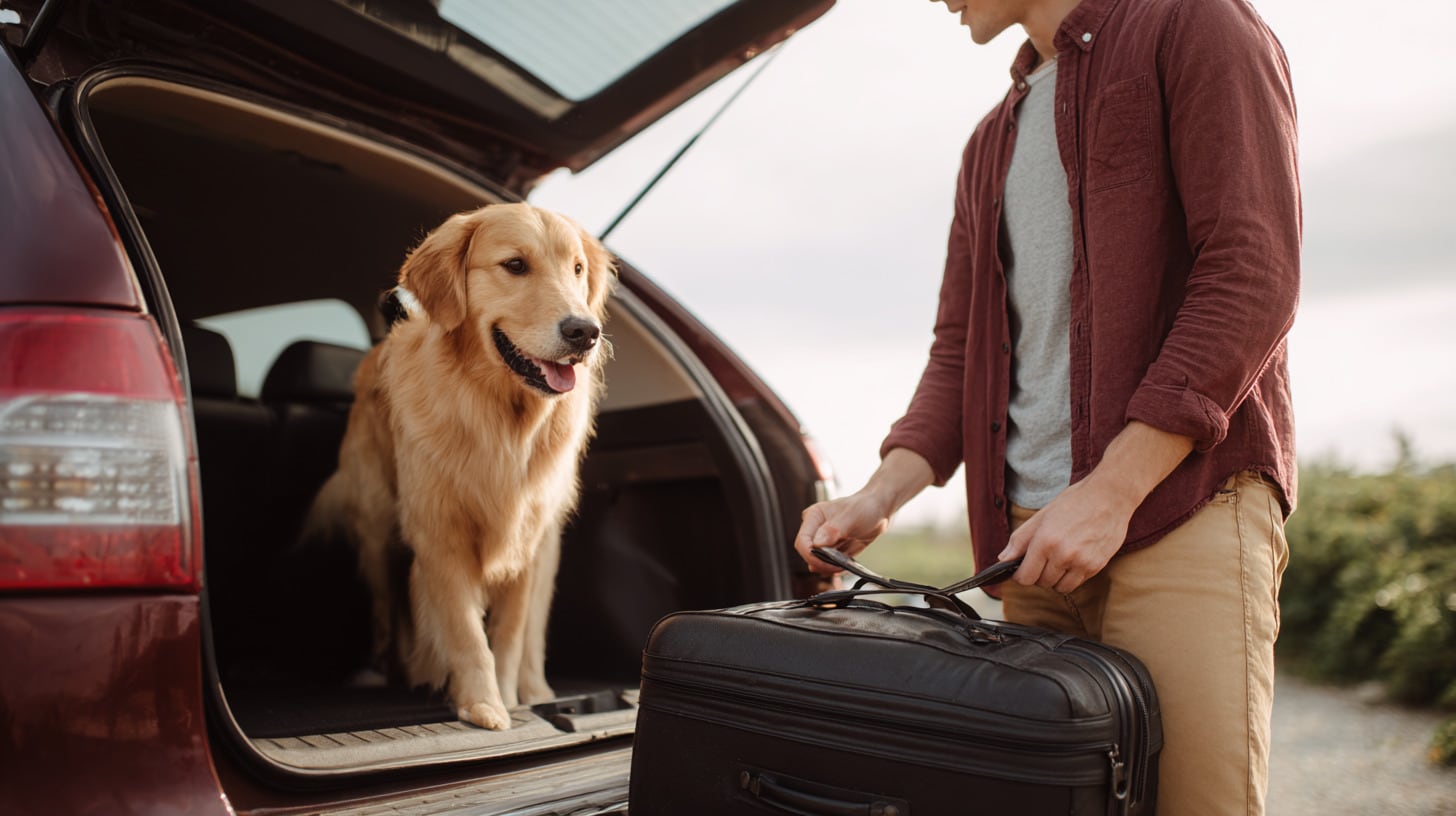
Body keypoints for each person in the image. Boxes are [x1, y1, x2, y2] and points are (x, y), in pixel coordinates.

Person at [794, 0, 1300, 813]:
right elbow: (960, 352)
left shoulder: (1196, 24)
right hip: (1028, 548)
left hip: (1181, 510)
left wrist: (1109, 493)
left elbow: (1252, 277)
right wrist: (876, 495)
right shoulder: (989, 141)